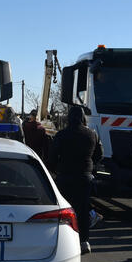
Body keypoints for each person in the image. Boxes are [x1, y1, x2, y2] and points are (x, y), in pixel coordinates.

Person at [50, 105, 103, 254]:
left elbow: (52, 156)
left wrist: (57, 169)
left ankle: (65, 241)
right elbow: (99, 155)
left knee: (64, 210)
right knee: (83, 209)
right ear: (83, 117)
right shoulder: (91, 134)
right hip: (84, 177)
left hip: (65, 176)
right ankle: (84, 241)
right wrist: (90, 166)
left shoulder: (61, 135)